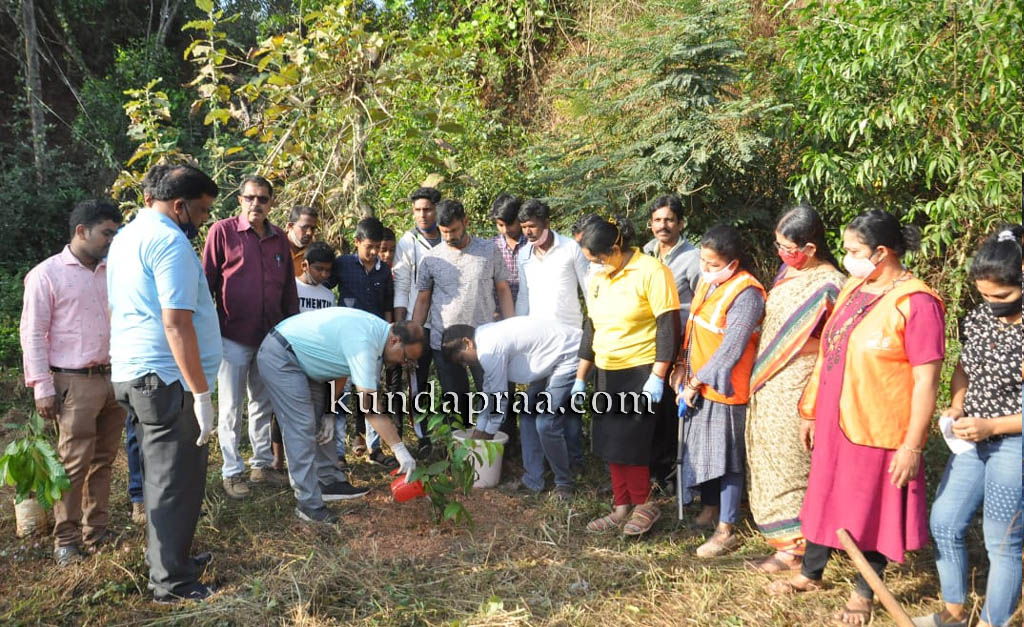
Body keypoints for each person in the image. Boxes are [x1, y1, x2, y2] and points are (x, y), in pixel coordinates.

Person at [770, 210, 945, 627]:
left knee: (870, 508)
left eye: (853, 251)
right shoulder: (856, 287)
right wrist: (811, 410)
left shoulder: (917, 303)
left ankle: (865, 590)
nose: (846, 258)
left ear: (881, 252)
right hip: (836, 417)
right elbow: (831, 353)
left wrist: (913, 445)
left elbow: (927, 383)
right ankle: (811, 572)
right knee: (825, 493)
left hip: (879, 426)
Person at [107, 164, 222, 603]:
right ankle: (171, 583)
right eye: (201, 211)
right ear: (179, 206)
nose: (203, 221)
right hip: (164, 377)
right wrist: (201, 393)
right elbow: (176, 324)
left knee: (164, 477)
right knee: (173, 480)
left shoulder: (125, 238)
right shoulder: (169, 241)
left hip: (135, 373)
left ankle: (172, 560)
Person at [912, 227, 1022, 627]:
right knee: (944, 521)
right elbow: (962, 369)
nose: (991, 304)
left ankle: (996, 622)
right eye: (984, 295)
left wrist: (993, 426)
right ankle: (954, 613)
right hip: (972, 439)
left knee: (1002, 541)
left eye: (1002, 297)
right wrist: (957, 405)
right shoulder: (976, 320)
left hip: (1013, 443)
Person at [20, 199, 125, 567]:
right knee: (73, 463)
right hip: (73, 381)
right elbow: (33, 334)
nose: (111, 240)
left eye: (115, 233)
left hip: (113, 376)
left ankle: (96, 530)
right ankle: (66, 539)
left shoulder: (111, 271)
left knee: (104, 459)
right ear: (82, 231)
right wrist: (42, 387)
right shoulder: (46, 274)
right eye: (106, 233)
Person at [744, 205, 844, 572]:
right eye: (778, 245)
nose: (781, 253)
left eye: (788, 247)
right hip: (769, 383)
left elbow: (839, 341)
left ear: (812, 247)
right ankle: (780, 538)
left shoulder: (832, 284)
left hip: (801, 383)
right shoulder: (790, 273)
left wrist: (801, 348)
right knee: (769, 458)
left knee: (792, 462)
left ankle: (796, 548)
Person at [256, 308, 424, 523]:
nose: (403, 364)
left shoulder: (377, 334)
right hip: (282, 355)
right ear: (395, 341)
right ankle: (308, 504)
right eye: (406, 357)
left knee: (322, 422)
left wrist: (329, 410)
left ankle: (328, 481)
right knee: (302, 427)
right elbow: (370, 406)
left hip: (308, 361)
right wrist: (400, 450)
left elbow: (340, 365)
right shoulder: (365, 342)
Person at [574, 217, 680, 536]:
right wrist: (582, 376)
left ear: (616, 249)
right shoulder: (599, 278)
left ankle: (645, 503)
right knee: (608, 442)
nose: (597, 265)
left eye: (600, 258)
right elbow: (591, 327)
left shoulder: (652, 271)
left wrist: (658, 375)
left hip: (640, 369)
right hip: (606, 369)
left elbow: (668, 326)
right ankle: (621, 506)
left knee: (631, 445)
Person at [670, 225, 765, 557]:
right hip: (697, 384)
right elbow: (693, 328)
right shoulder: (708, 286)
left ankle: (727, 527)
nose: (706, 269)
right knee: (704, 451)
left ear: (733, 263)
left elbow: (732, 348)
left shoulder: (747, 293)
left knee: (727, 459)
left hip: (726, 389)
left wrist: (696, 382)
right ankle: (709, 509)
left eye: (713, 264)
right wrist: (682, 366)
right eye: (703, 262)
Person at [202, 175, 297, 499]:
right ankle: (231, 471)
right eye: (250, 198)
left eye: (263, 198)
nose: (256, 204)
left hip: (270, 336)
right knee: (230, 407)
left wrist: (290, 332)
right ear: (240, 200)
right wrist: (209, 329)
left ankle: (261, 466)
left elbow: (289, 289)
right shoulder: (223, 232)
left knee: (262, 403)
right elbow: (207, 284)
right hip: (231, 335)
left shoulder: (279, 238)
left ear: (271, 203)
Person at [441, 319, 582, 497]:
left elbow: (499, 397)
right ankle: (533, 482)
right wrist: (479, 429)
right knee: (527, 416)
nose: (465, 365)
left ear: (467, 343)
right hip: (549, 360)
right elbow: (489, 390)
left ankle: (564, 483)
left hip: (570, 355)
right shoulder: (485, 338)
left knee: (546, 423)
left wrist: (486, 436)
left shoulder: (489, 348)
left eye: (462, 358)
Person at [412, 199, 515, 433]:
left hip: (484, 342)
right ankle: (461, 453)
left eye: (454, 230)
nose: (448, 237)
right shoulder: (431, 259)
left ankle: (502, 453)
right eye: (444, 231)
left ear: (466, 222)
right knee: (456, 402)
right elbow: (423, 299)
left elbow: (503, 289)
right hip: (445, 342)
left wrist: (510, 328)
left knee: (494, 396)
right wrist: (416, 335)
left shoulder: (489, 250)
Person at [515, 198, 590, 470]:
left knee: (566, 411)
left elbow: (589, 290)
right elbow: (524, 296)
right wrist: (519, 334)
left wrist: (591, 341)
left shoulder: (571, 249)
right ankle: (537, 472)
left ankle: (574, 465)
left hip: (570, 344)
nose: (528, 232)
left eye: (532, 226)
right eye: (524, 227)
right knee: (532, 409)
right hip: (537, 345)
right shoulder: (524, 255)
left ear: (546, 223)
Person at [328, 217, 398, 467]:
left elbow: (388, 307)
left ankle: (374, 449)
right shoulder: (343, 265)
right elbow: (325, 287)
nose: (373, 252)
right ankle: (336, 452)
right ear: (356, 242)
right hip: (344, 343)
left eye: (377, 247)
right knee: (339, 396)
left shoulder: (384, 270)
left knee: (372, 395)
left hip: (375, 343)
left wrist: (390, 338)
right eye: (368, 246)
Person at [392, 186, 443, 452]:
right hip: (417, 326)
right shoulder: (408, 241)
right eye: (418, 210)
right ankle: (423, 438)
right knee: (417, 383)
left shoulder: (451, 237)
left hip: (447, 324)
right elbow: (401, 285)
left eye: (427, 209)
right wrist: (402, 328)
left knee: (450, 382)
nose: (422, 215)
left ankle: (454, 433)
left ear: (437, 209)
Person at [642, 194, 700, 324]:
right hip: (649, 336)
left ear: (680, 224)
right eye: (657, 220)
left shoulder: (693, 259)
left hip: (680, 337)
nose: (662, 225)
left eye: (669, 220)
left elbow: (707, 302)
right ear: (651, 224)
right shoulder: (646, 255)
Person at [489, 193, 528, 306]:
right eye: (500, 225)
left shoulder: (532, 245)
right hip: (498, 312)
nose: (505, 230)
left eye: (510, 224)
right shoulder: (492, 247)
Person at [286, 205, 319, 276]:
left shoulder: (314, 253)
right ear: (290, 226)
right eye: (305, 227)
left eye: (312, 228)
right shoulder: (273, 246)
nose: (309, 233)